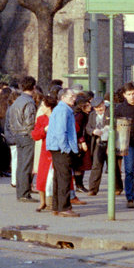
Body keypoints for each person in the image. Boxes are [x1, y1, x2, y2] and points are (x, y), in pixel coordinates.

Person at [45, 87, 80, 216]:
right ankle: (64, 207)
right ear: (63, 97)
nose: (74, 99)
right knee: (64, 177)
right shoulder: (63, 110)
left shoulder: (61, 109)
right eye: (71, 96)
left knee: (58, 177)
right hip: (61, 148)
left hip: (56, 147)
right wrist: (66, 148)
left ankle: (57, 206)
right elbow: (61, 131)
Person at [5, 76, 38, 202]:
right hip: (27, 135)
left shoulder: (17, 101)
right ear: (33, 87)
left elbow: (11, 121)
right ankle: (24, 193)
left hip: (17, 135)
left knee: (20, 164)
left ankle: (21, 192)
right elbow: (30, 122)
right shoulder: (29, 102)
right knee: (26, 165)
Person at [30, 94, 56, 211]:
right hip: (45, 152)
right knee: (42, 177)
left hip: (56, 150)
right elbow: (35, 135)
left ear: (48, 106)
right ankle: (42, 202)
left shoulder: (57, 117)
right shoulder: (41, 119)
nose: (41, 107)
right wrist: (44, 130)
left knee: (55, 177)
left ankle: (53, 201)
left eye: (42, 105)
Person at [85, 97, 109, 195]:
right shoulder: (92, 115)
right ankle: (93, 189)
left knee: (113, 166)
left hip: (109, 142)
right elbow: (88, 127)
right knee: (96, 165)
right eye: (96, 108)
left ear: (104, 104)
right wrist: (93, 131)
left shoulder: (110, 113)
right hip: (98, 143)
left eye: (100, 106)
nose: (99, 109)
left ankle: (117, 187)